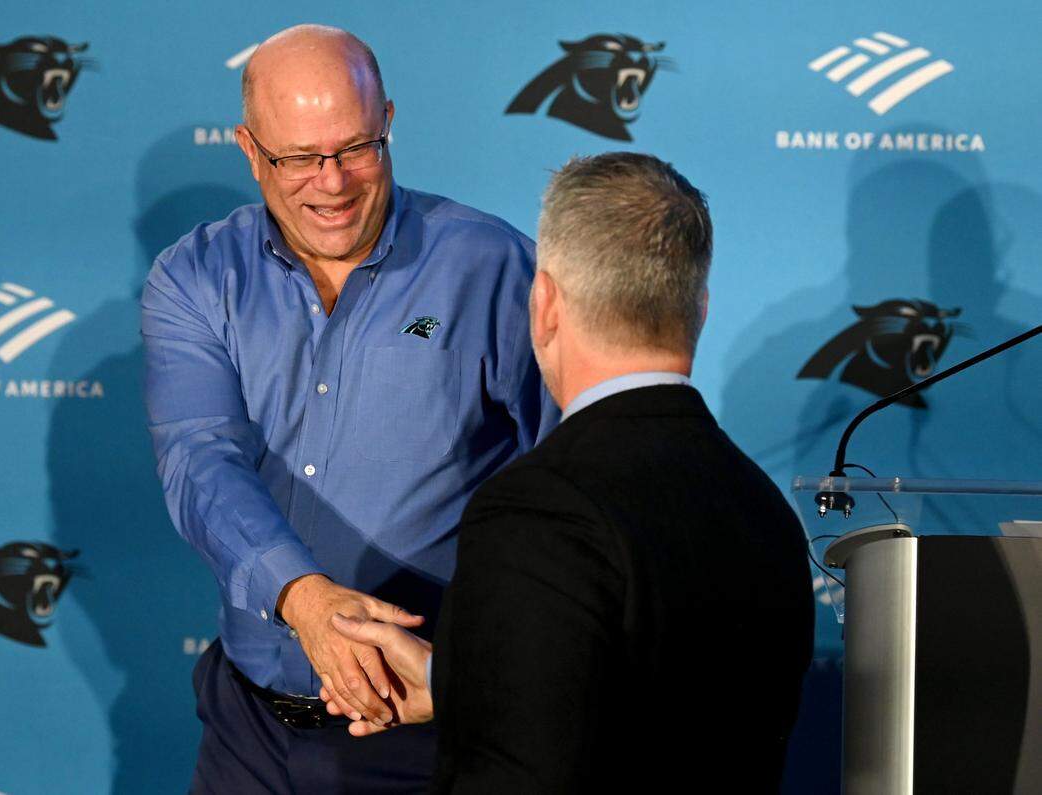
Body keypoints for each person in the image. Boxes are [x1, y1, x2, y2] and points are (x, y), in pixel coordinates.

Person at [140, 24, 556, 793]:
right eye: (298, 157)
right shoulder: (195, 277)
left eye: (357, 148)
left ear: (389, 121)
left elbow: (566, 479)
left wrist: (499, 666)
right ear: (248, 148)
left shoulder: (490, 266)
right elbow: (200, 459)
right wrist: (303, 599)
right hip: (248, 729)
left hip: (423, 734)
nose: (331, 183)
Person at [329, 152, 816, 792]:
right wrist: (456, 681)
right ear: (700, 309)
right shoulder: (765, 511)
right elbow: (651, 709)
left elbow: (520, 770)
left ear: (546, 304)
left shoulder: (537, 510)